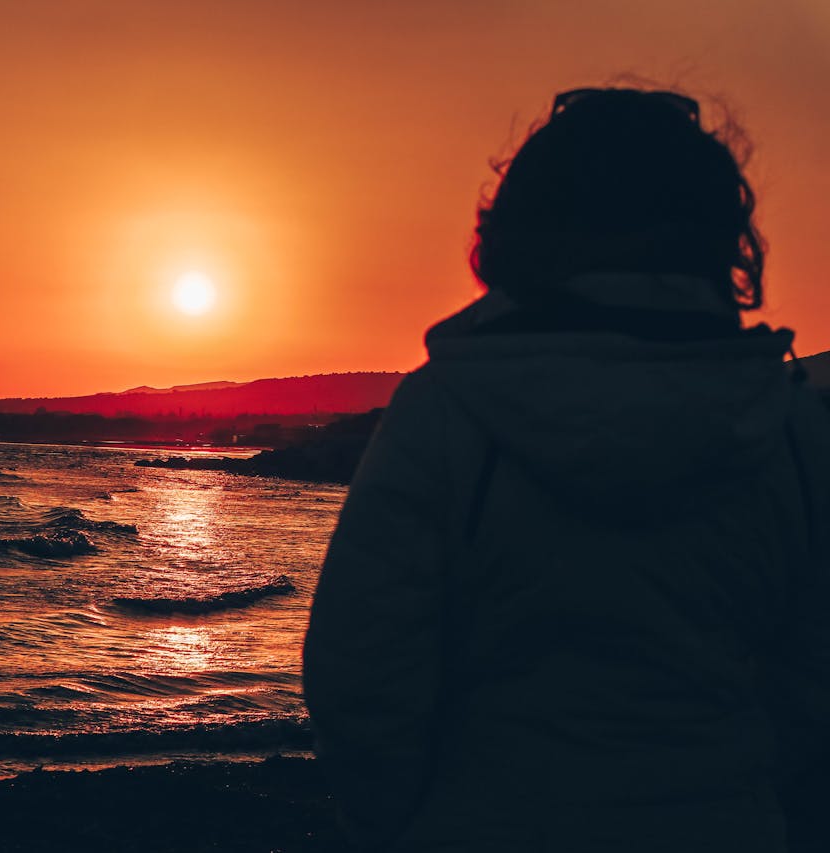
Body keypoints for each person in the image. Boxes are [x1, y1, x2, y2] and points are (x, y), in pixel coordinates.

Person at [302, 86, 830, 852]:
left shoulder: (444, 412)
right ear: (723, 235)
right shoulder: (791, 427)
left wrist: (400, 824)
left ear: (518, 229)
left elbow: (362, 674)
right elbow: (811, 679)